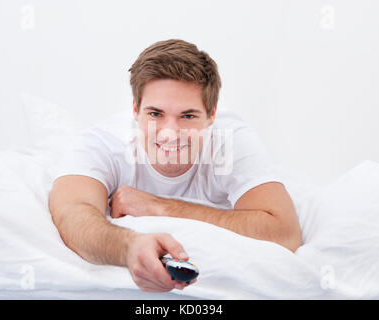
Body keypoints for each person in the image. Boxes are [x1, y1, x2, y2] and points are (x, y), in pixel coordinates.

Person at [48, 39, 302, 293]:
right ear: (135, 110)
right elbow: (72, 216)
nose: (170, 134)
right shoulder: (102, 145)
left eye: (188, 116)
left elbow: (285, 234)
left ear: (212, 114)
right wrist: (127, 248)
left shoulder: (231, 140)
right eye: (155, 114)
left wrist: (159, 206)